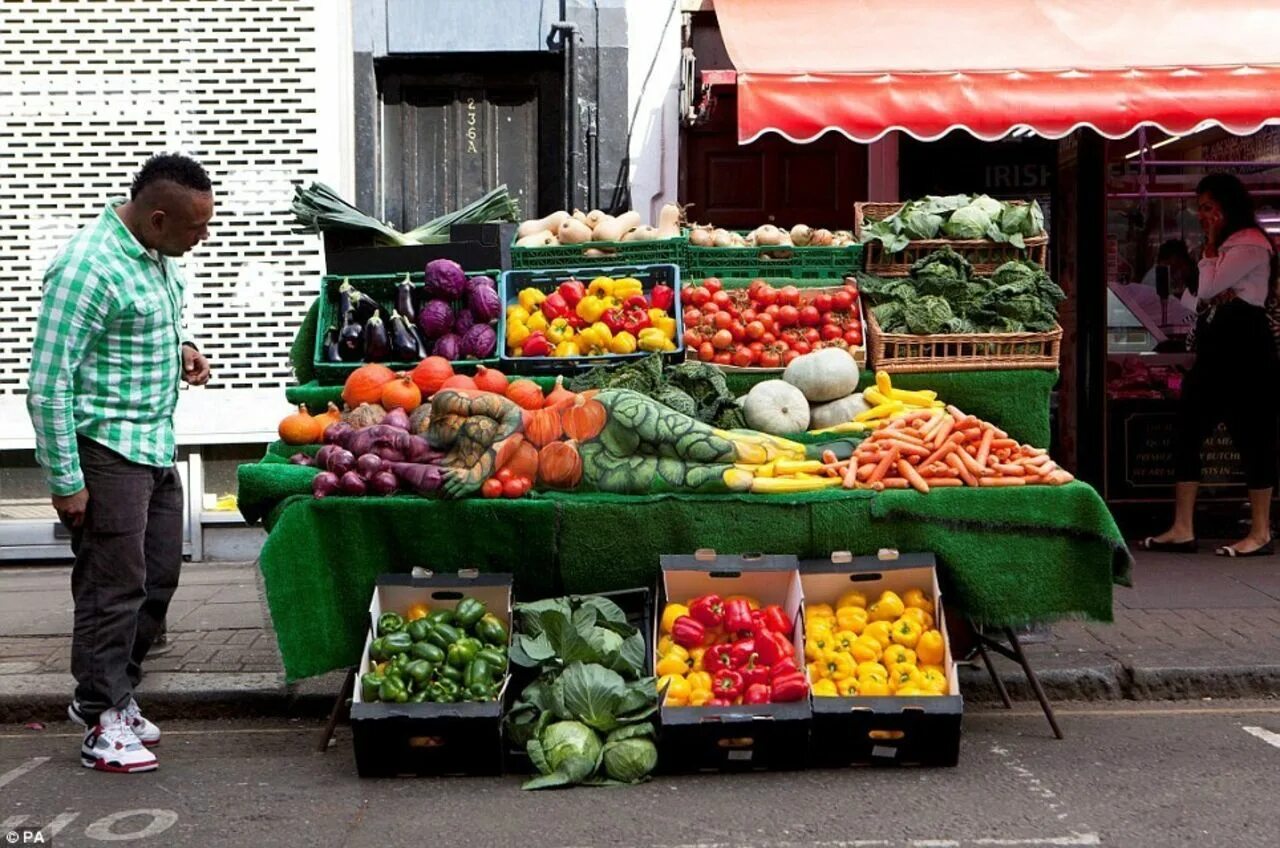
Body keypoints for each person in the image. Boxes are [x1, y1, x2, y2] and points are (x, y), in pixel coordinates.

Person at [26, 154, 213, 772]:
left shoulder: (155, 254)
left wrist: (183, 348)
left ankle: (117, 694)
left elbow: (155, 323)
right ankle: (100, 717)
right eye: (195, 228)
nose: (202, 238)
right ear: (158, 218)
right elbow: (48, 386)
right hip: (104, 451)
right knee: (112, 587)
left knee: (157, 577)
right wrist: (66, 481)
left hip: (154, 443)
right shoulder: (87, 269)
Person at [1140, 173, 1278, 558]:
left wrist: (1211, 250)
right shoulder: (1225, 246)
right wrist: (1212, 253)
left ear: (1226, 207)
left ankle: (1261, 531)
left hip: (1246, 345)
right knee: (1188, 427)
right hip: (1217, 346)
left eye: (1207, 208)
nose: (1201, 215)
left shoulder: (1250, 243)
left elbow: (1208, 289)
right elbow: (1204, 293)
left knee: (1252, 434)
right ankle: (1183, 527)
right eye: (1199, 208)